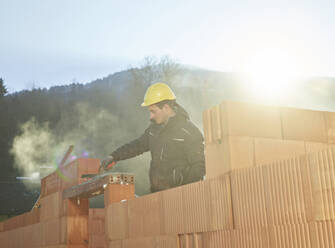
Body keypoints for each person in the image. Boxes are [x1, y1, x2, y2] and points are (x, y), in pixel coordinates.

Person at [101, 82, 205, 192]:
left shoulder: (189, 132)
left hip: (182, 197)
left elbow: (199, 168)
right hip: (157, 195)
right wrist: (114, 156)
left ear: (166, 108)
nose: (151, 116)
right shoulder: (154, 130)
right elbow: (137, 145)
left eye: (153, 111)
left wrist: (182, 192)